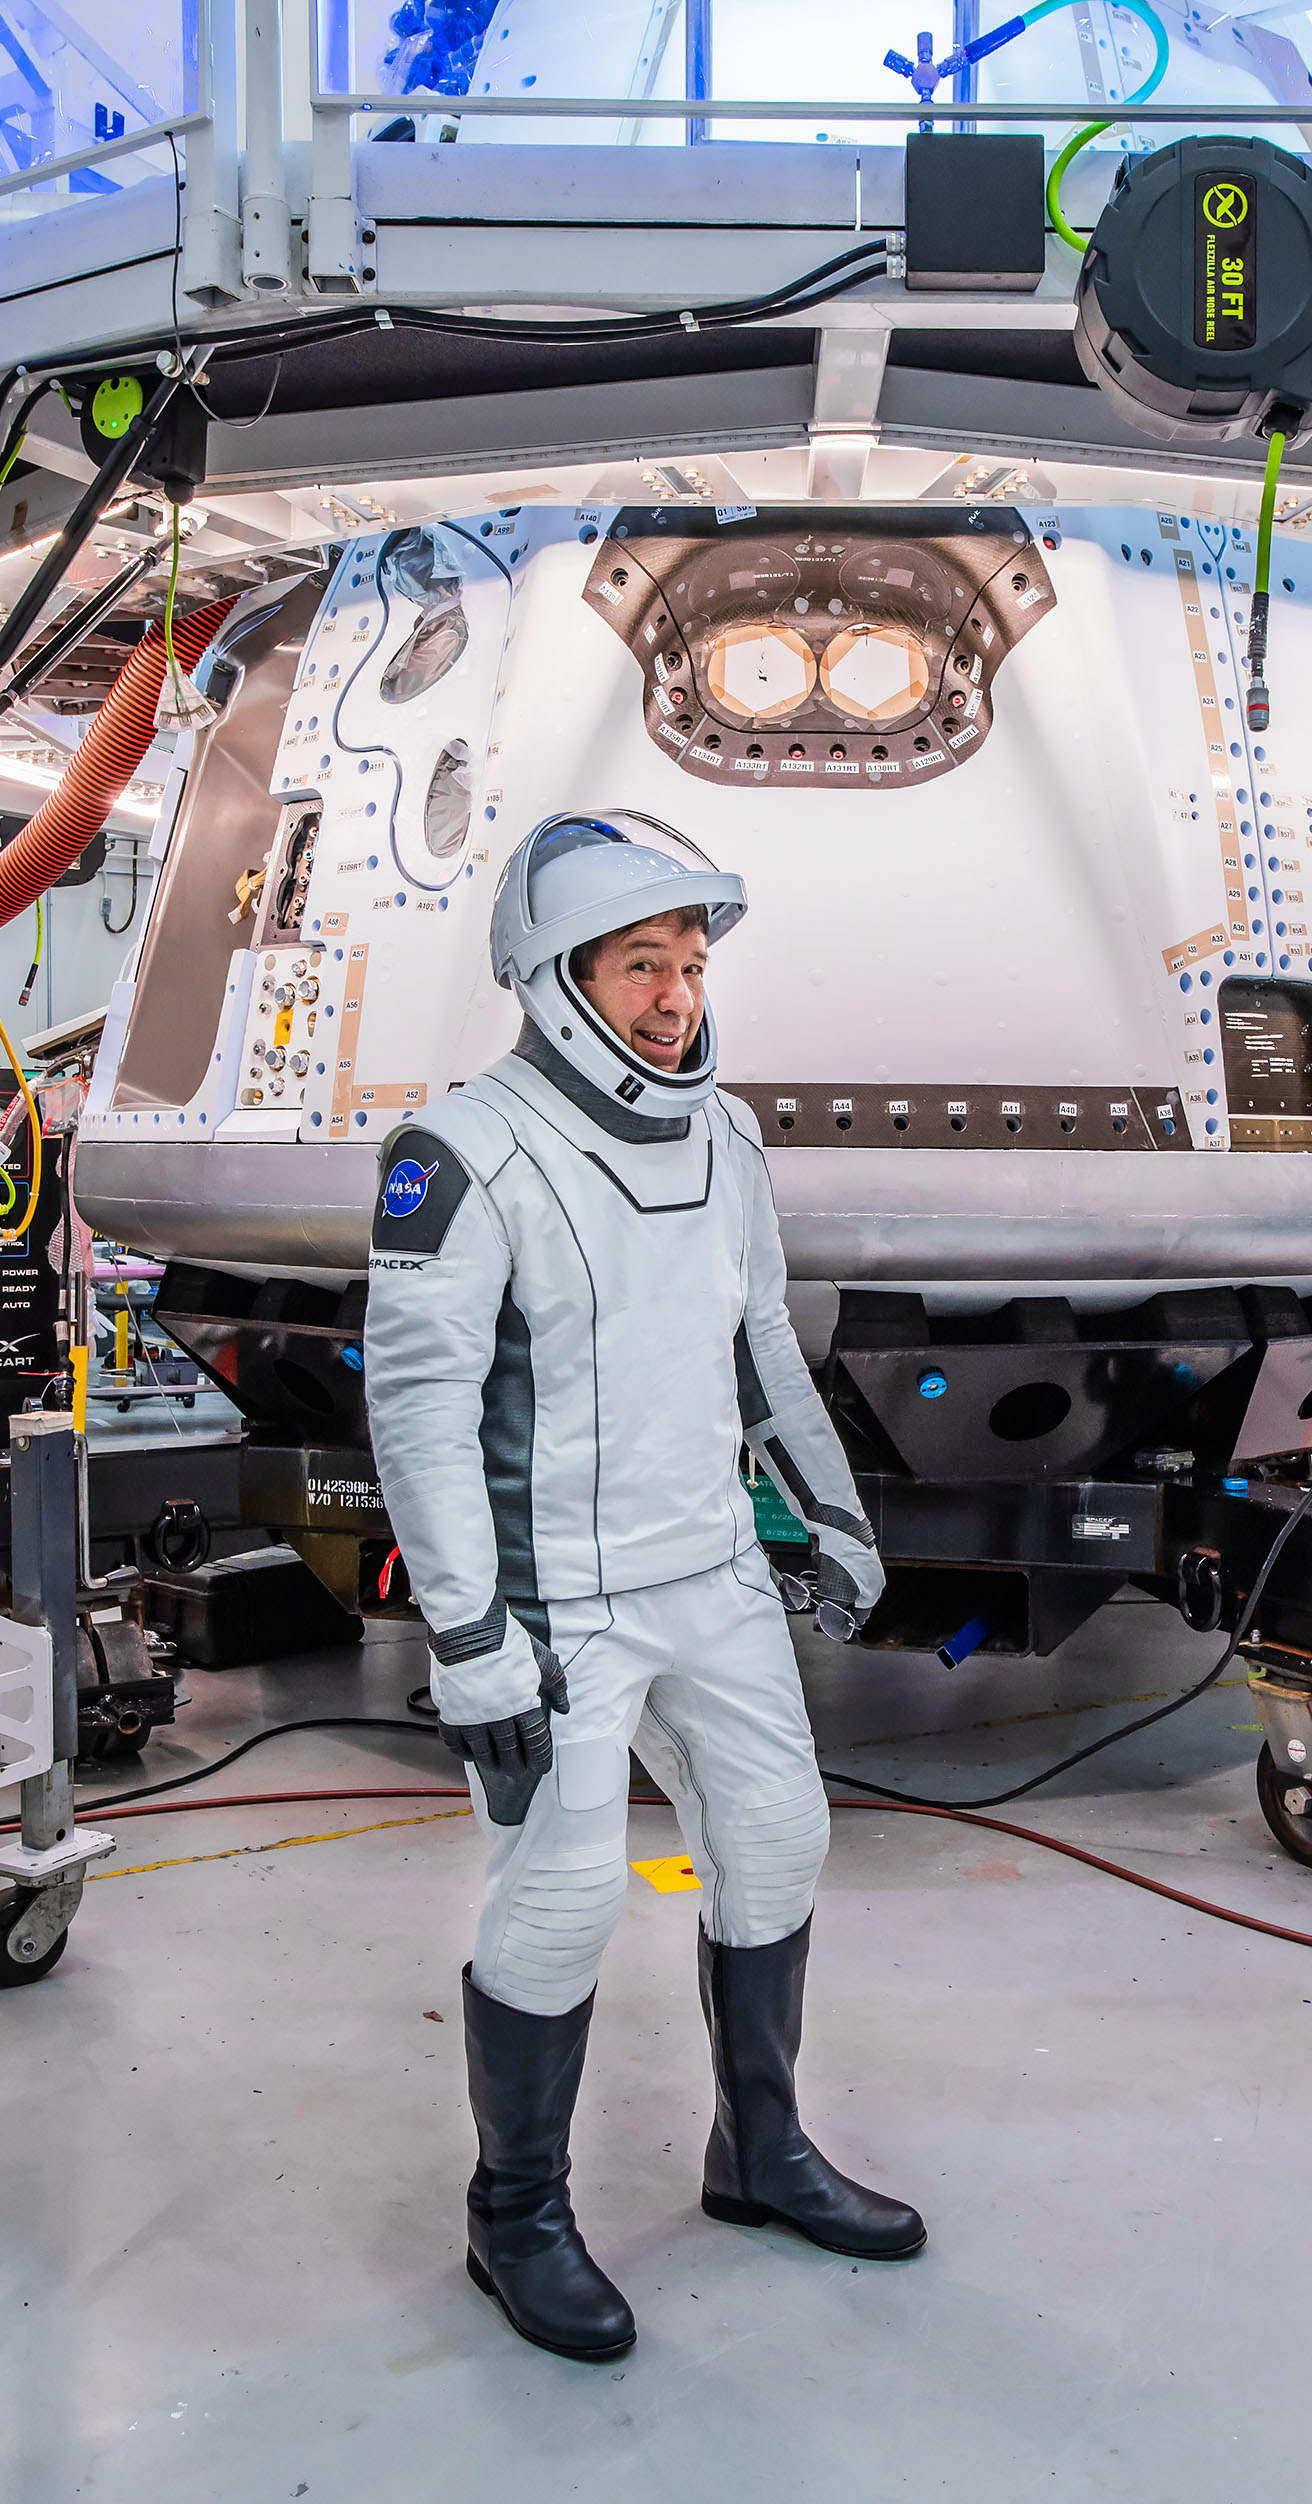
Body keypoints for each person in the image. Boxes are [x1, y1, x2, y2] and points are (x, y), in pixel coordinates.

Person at [364, 809, 925, 2362]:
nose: (676, 997)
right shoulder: (462, 1154)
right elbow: (414, 1416)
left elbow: (763, 1353)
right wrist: (470, 1644)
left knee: (780, 1845)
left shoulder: (726, 1136)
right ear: (554, 978)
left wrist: (831, 1517)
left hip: (714, 1575)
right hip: (559, 1608)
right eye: (641, 964)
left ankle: (759, 2153)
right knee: (557, 1902)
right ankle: (516, 2217)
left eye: (688, 964)